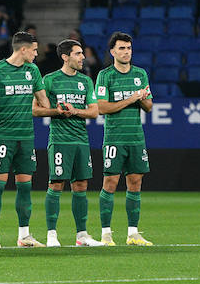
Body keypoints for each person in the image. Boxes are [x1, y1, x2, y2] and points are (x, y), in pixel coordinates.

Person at [0, 31, 49, 248]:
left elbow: (43, 102)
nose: (37, 54)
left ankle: (24, 235)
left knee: (25, 187)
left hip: (25, 137)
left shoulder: (33, 70)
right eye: (34, 50)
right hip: (3, 137)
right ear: (23, 49)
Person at [40, 39, 104, 248]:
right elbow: (35, 109)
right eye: (78, 54)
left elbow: (94, 111)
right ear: (65, 57)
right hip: (59, 140)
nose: (83, 57)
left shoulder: (86, 81)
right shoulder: (49, 80)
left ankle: (82, 235)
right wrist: (56, 111)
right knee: (56, 184)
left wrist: (74, 111)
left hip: (81, 140)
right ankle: (51, 234)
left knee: (81, 185)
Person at [94, 32, 152, 246]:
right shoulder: (105, 76)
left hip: (136, 138)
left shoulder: (141, 74)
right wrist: (132, 98)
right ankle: (106, 233)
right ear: (112, 52)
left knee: (135, 182)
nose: (126, 52)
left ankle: (133, 233)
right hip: (114, 138)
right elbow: (102, 107)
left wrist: (143, 99)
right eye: (121, 48)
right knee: (110, 182)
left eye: (128, 48)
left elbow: (149, 106)